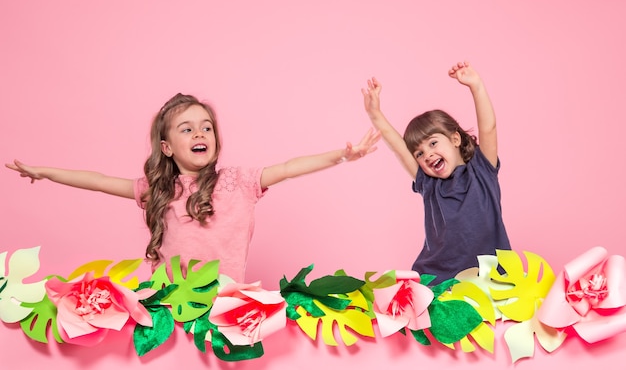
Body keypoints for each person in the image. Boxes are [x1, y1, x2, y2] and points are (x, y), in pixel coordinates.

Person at [6, 93, 381, 283]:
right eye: (187, 129)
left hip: (223, 299)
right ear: (167, 148)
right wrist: (46, 173)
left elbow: (288, 168)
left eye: (206, 126)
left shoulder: (239, 181)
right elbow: (100, 182)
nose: (200, 133)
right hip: (170, 300)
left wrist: (342, 156)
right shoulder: (160, 190)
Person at [361, 61, 511, 285]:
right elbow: (399, 148)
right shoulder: (430, 184)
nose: (427, 155)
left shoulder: (482, 170)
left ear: (455, 139)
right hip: (439, 279)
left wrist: (476, 85)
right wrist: (374, 113)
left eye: (433, 143)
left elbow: (488, 127)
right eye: (419, 153)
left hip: (490, 277)